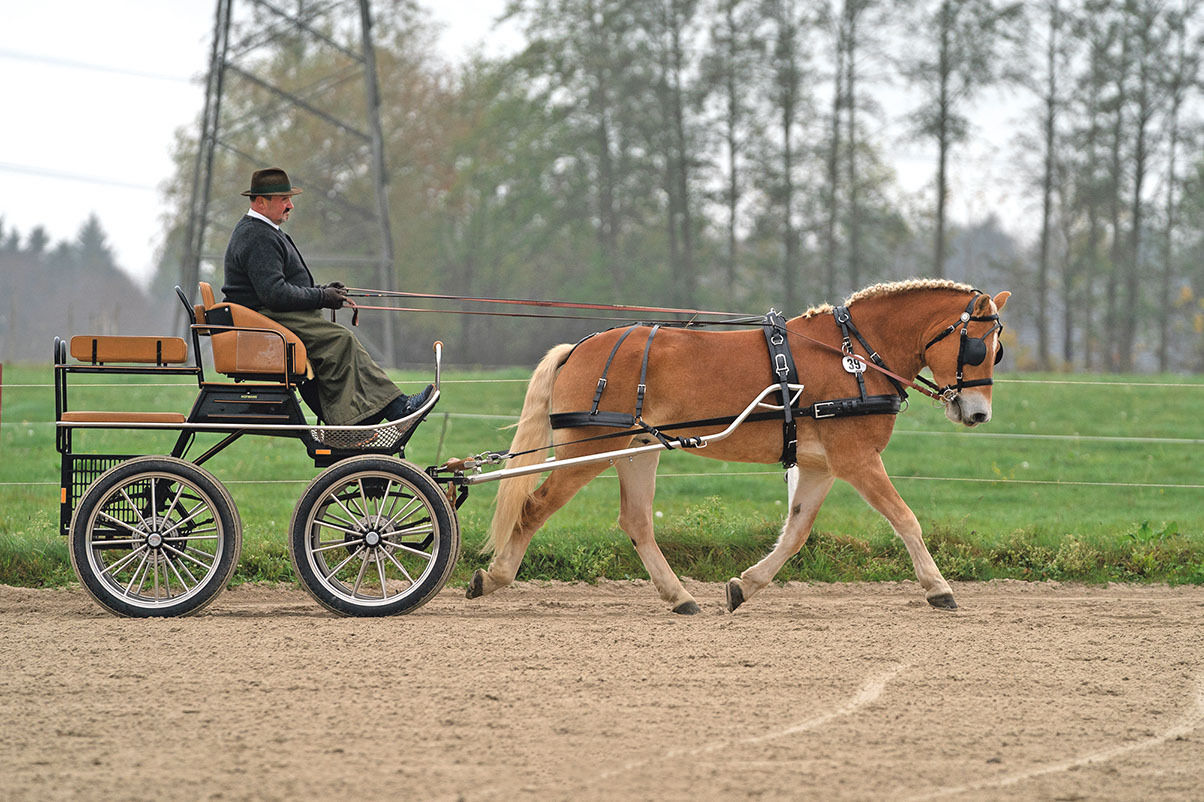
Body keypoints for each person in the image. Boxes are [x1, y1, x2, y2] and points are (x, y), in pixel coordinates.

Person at [222, 167, 431, 425]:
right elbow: (274, 293)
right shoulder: (257, 235)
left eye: (290, 199)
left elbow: (282, 285)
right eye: (284, 200)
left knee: (337, 344)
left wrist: (323, 291)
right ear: (261, 202)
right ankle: (388, 411)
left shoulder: (263, 231)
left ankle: (362, 418)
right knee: (340, 341)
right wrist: (322, 297)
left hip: (269, 315)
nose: (291, 206)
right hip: (263, 318)